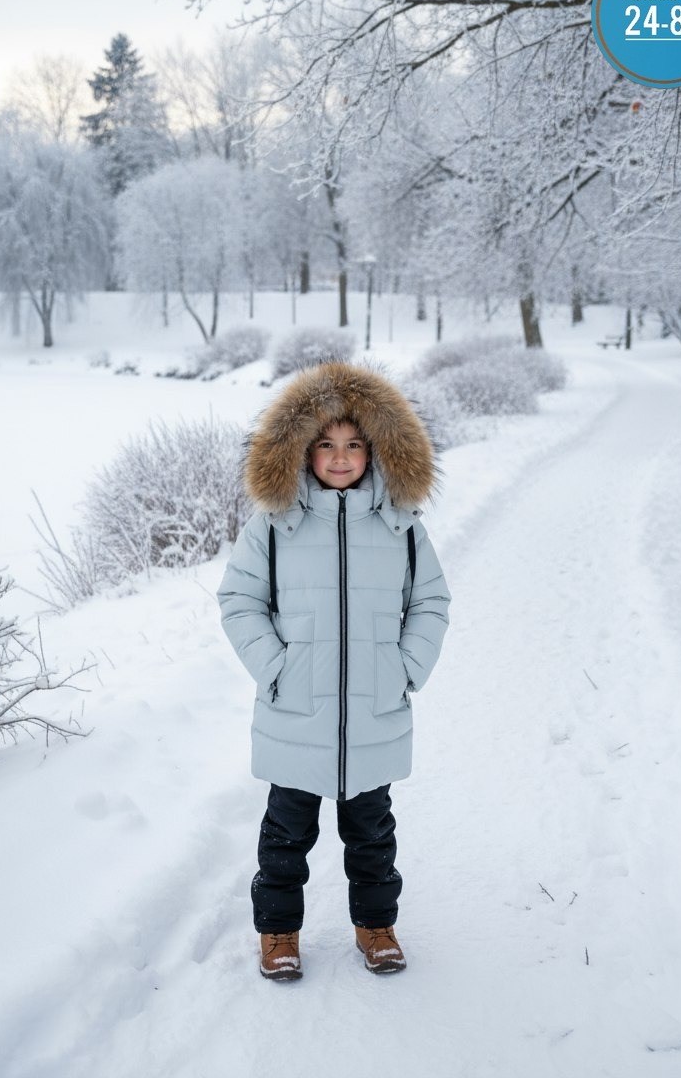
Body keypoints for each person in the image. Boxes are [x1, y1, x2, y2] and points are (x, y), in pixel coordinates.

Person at [217, 361, 451, 980]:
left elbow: (430, 601)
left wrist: (404, 668)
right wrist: (275, 667)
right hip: (296, 710)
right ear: (301, 451)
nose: (340, 457)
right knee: (285, 837)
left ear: (376, 450)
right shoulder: (275, 524)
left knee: (372, 836)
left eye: (353, 445)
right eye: (325, 445)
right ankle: (279, 934)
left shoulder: (400, 526)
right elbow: (239, 600)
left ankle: (377, 927)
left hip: (374, 708)